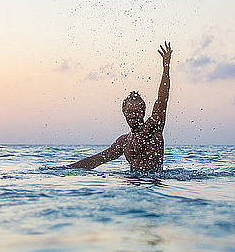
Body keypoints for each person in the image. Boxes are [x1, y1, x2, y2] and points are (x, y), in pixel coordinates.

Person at [68, 42, 172, 172]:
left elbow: (162, 98)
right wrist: (67, 169)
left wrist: (166, 68)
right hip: (131, 186)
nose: (134, 115)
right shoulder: (124, 141)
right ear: (124, 113)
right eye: (130, 111)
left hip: (152, 186)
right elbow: (99, 159)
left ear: (144, 112)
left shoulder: (153, 127)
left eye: (138, 111)